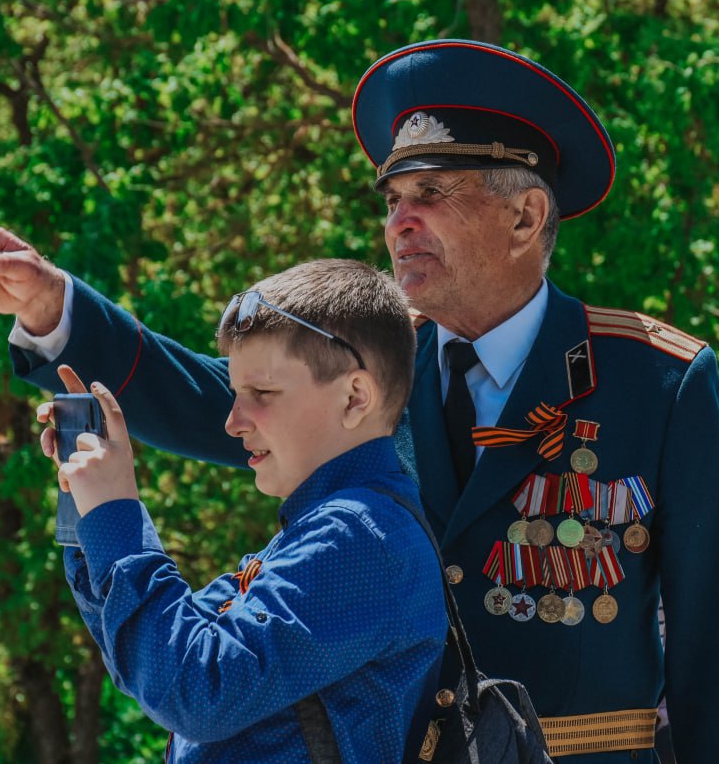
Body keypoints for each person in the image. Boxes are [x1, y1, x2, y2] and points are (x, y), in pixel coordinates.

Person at [0, 39, 719, 762]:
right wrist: (55, 312)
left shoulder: (655, 381)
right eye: (392, 201)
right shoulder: (369, 361)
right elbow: (214, 401)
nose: (398, 223)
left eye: (432, 195)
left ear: (525, 217)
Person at [38, 259, 447, 762]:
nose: (233, 421)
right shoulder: (326, 528)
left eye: (263, 393)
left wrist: (116, 511)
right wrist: (89, 516)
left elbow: (195, 690)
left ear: (355, 397)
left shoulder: (360, 536)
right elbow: (154, 659)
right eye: (235, 393)